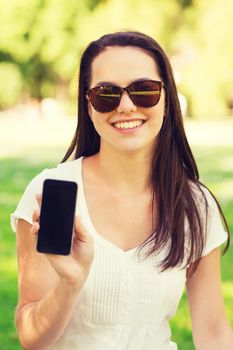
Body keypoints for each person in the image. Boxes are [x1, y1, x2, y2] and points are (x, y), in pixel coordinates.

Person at [11, 30, 233, 350]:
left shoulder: (194, 205)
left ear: (167, 99)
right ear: (88, 106)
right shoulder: (52, 194)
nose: (126, 106)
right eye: (107, 94)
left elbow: (213, 333)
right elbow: (31, 338)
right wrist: (70, 283)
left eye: (144, 90)